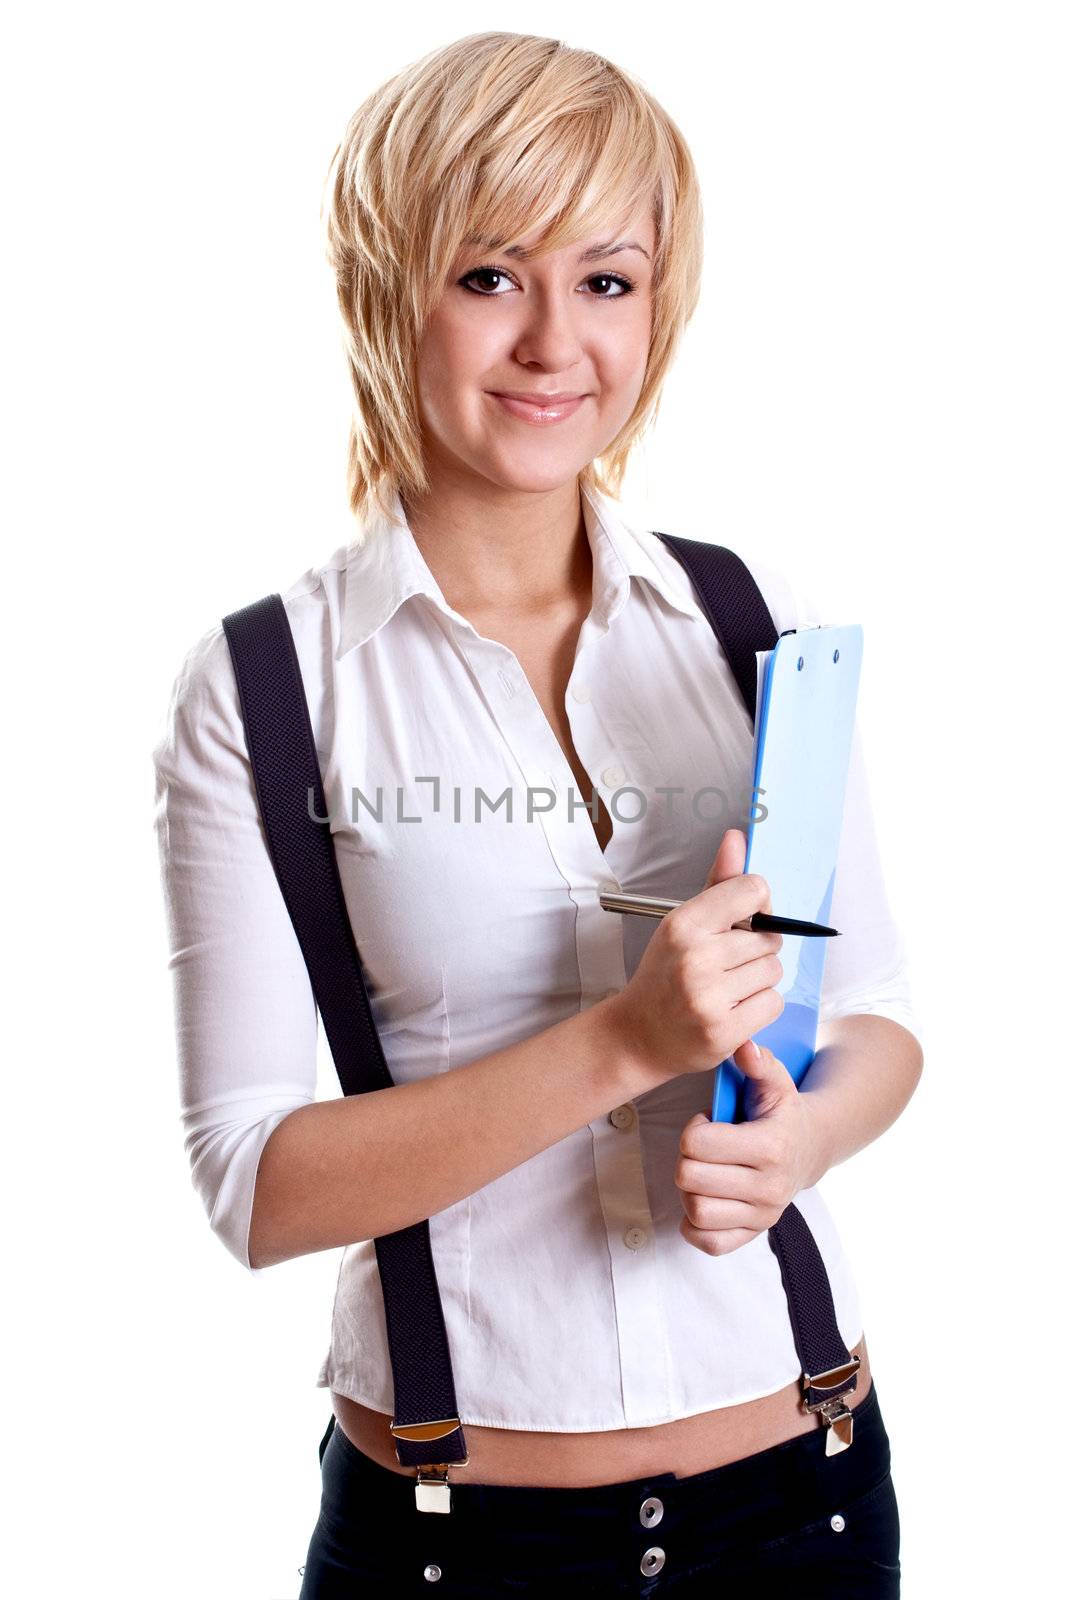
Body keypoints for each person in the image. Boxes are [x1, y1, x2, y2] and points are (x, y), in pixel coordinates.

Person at [151, 30, 923, 1598]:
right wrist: (626, 1048)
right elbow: (253, 1185)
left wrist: (806, 1141)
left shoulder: (745, 620)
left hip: (807, 1506)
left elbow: (879, 1017)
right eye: (490, 274)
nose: (553, 341)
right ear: (390, 290)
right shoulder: (261, 689)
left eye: (609, 280)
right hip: (458, 1552)